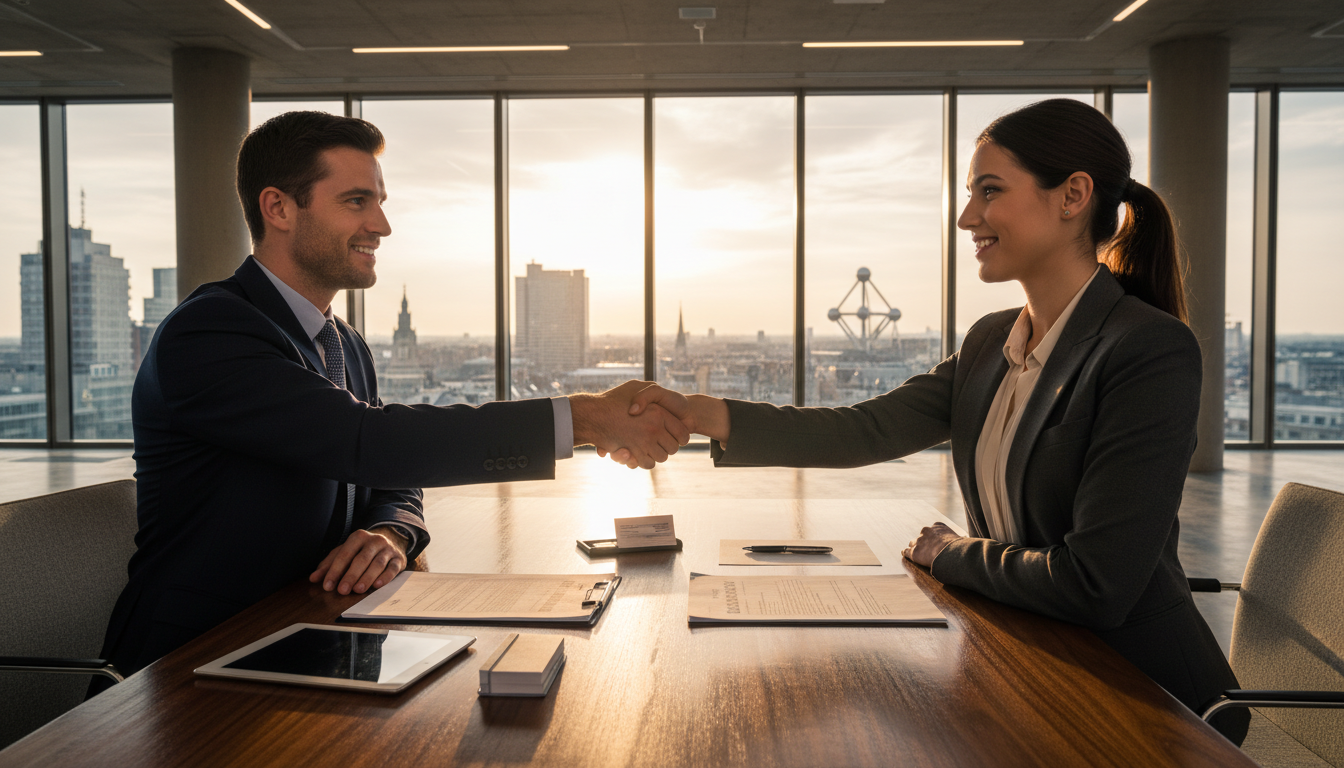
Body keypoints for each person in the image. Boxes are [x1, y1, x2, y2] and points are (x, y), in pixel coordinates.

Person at [615, 99, 1249, 743]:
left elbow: (1096, 585)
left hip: (1141, 702)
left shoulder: (1147, 350)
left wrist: (954, 554)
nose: (966, 217)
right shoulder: (990, 343)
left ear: (1073, 195)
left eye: (989, 191)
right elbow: (863, 429)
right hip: (1032, 661)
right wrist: (696, 413)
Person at [95, 111, 689, 688]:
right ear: (277, 207)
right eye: (357, 201)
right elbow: (367, 441)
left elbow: (392, 478)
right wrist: (582, 417)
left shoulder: (344, 344)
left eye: (380, 203)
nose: (381, 225)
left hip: (315, 639)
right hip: (188, 671)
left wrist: (392, 533)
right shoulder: (210, 334)